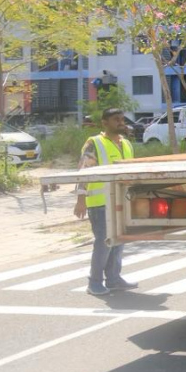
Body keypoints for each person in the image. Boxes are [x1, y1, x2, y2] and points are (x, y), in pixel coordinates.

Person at [74, 108, 139, 295]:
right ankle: (94, 282)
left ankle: (113, 279)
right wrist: (80, 200)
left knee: (119, 241)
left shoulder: (126, 144)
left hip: (122, 201)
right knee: (104, 243)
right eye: (116, 119)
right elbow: (83, 172)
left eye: (122, 119)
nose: (121, 122)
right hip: (100, 203)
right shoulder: (94, 143)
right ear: (105, 122)